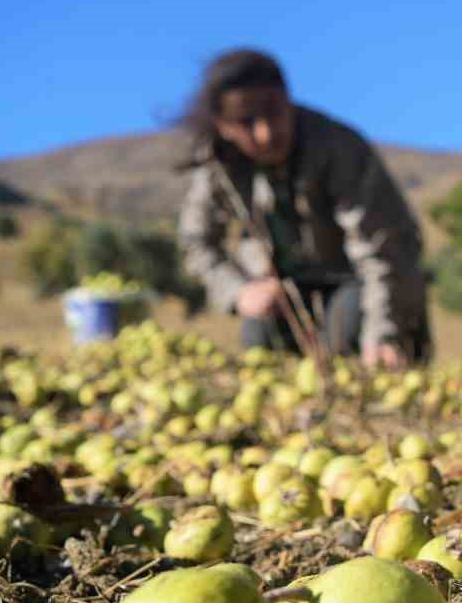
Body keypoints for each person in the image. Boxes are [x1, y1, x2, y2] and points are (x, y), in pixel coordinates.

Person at [177, 49, 430, 368]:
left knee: (351, 330)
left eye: (274, 111)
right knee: (260, 340)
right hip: (284, 294)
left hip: (358, 283)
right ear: (223, 126)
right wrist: (238, 291)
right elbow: (196, 242)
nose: (265, 132)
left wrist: (384, 332)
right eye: (247, 121)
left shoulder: (338, 147)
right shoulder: (216, 166)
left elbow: (384, 250)